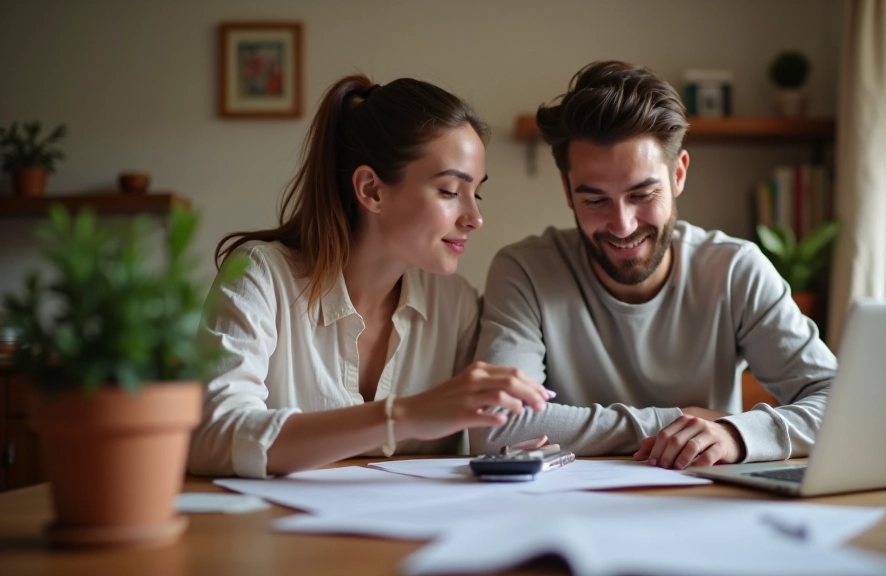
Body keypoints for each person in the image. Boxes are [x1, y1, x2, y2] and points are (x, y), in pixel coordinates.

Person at [471, 61, 836, 470]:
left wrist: (735, 434)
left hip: (705, 506)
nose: (623, 224)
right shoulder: (524, 272)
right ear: (567, 192)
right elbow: (497, 428)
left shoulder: (735, 270)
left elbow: (840, 405)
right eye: (595, 200)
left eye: (642, 194)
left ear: (678, 174)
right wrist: (680, 422)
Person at [189, 75, 550, 479]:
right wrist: (403, 416)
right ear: (371, 190)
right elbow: (211, 436)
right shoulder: (261, 276)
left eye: (476, 193)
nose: (475, 218)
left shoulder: (456, 303)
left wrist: (508, 447)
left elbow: (483, 436)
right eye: (450, 191)